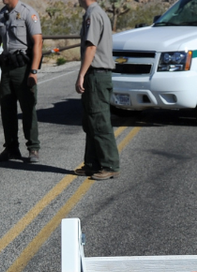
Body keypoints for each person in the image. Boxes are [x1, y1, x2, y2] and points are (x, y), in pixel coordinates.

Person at [0, 0, 43, 163]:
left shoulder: (28, 13)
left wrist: (33, 71)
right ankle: (11, 148)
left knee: (28, 109)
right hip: (6, 68)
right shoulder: (1, 15)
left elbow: (38, 42)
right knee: (7, 109)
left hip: (23, 68)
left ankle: (33, 148)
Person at [74, 0, 119, 180]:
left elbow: (91, 47)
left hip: (97, 74)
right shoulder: (94, 13)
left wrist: (81, 74)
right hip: (97, 75)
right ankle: (92, 164)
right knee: (91, 122)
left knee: (99, 122)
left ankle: (110, 165)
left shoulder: (93, 14)